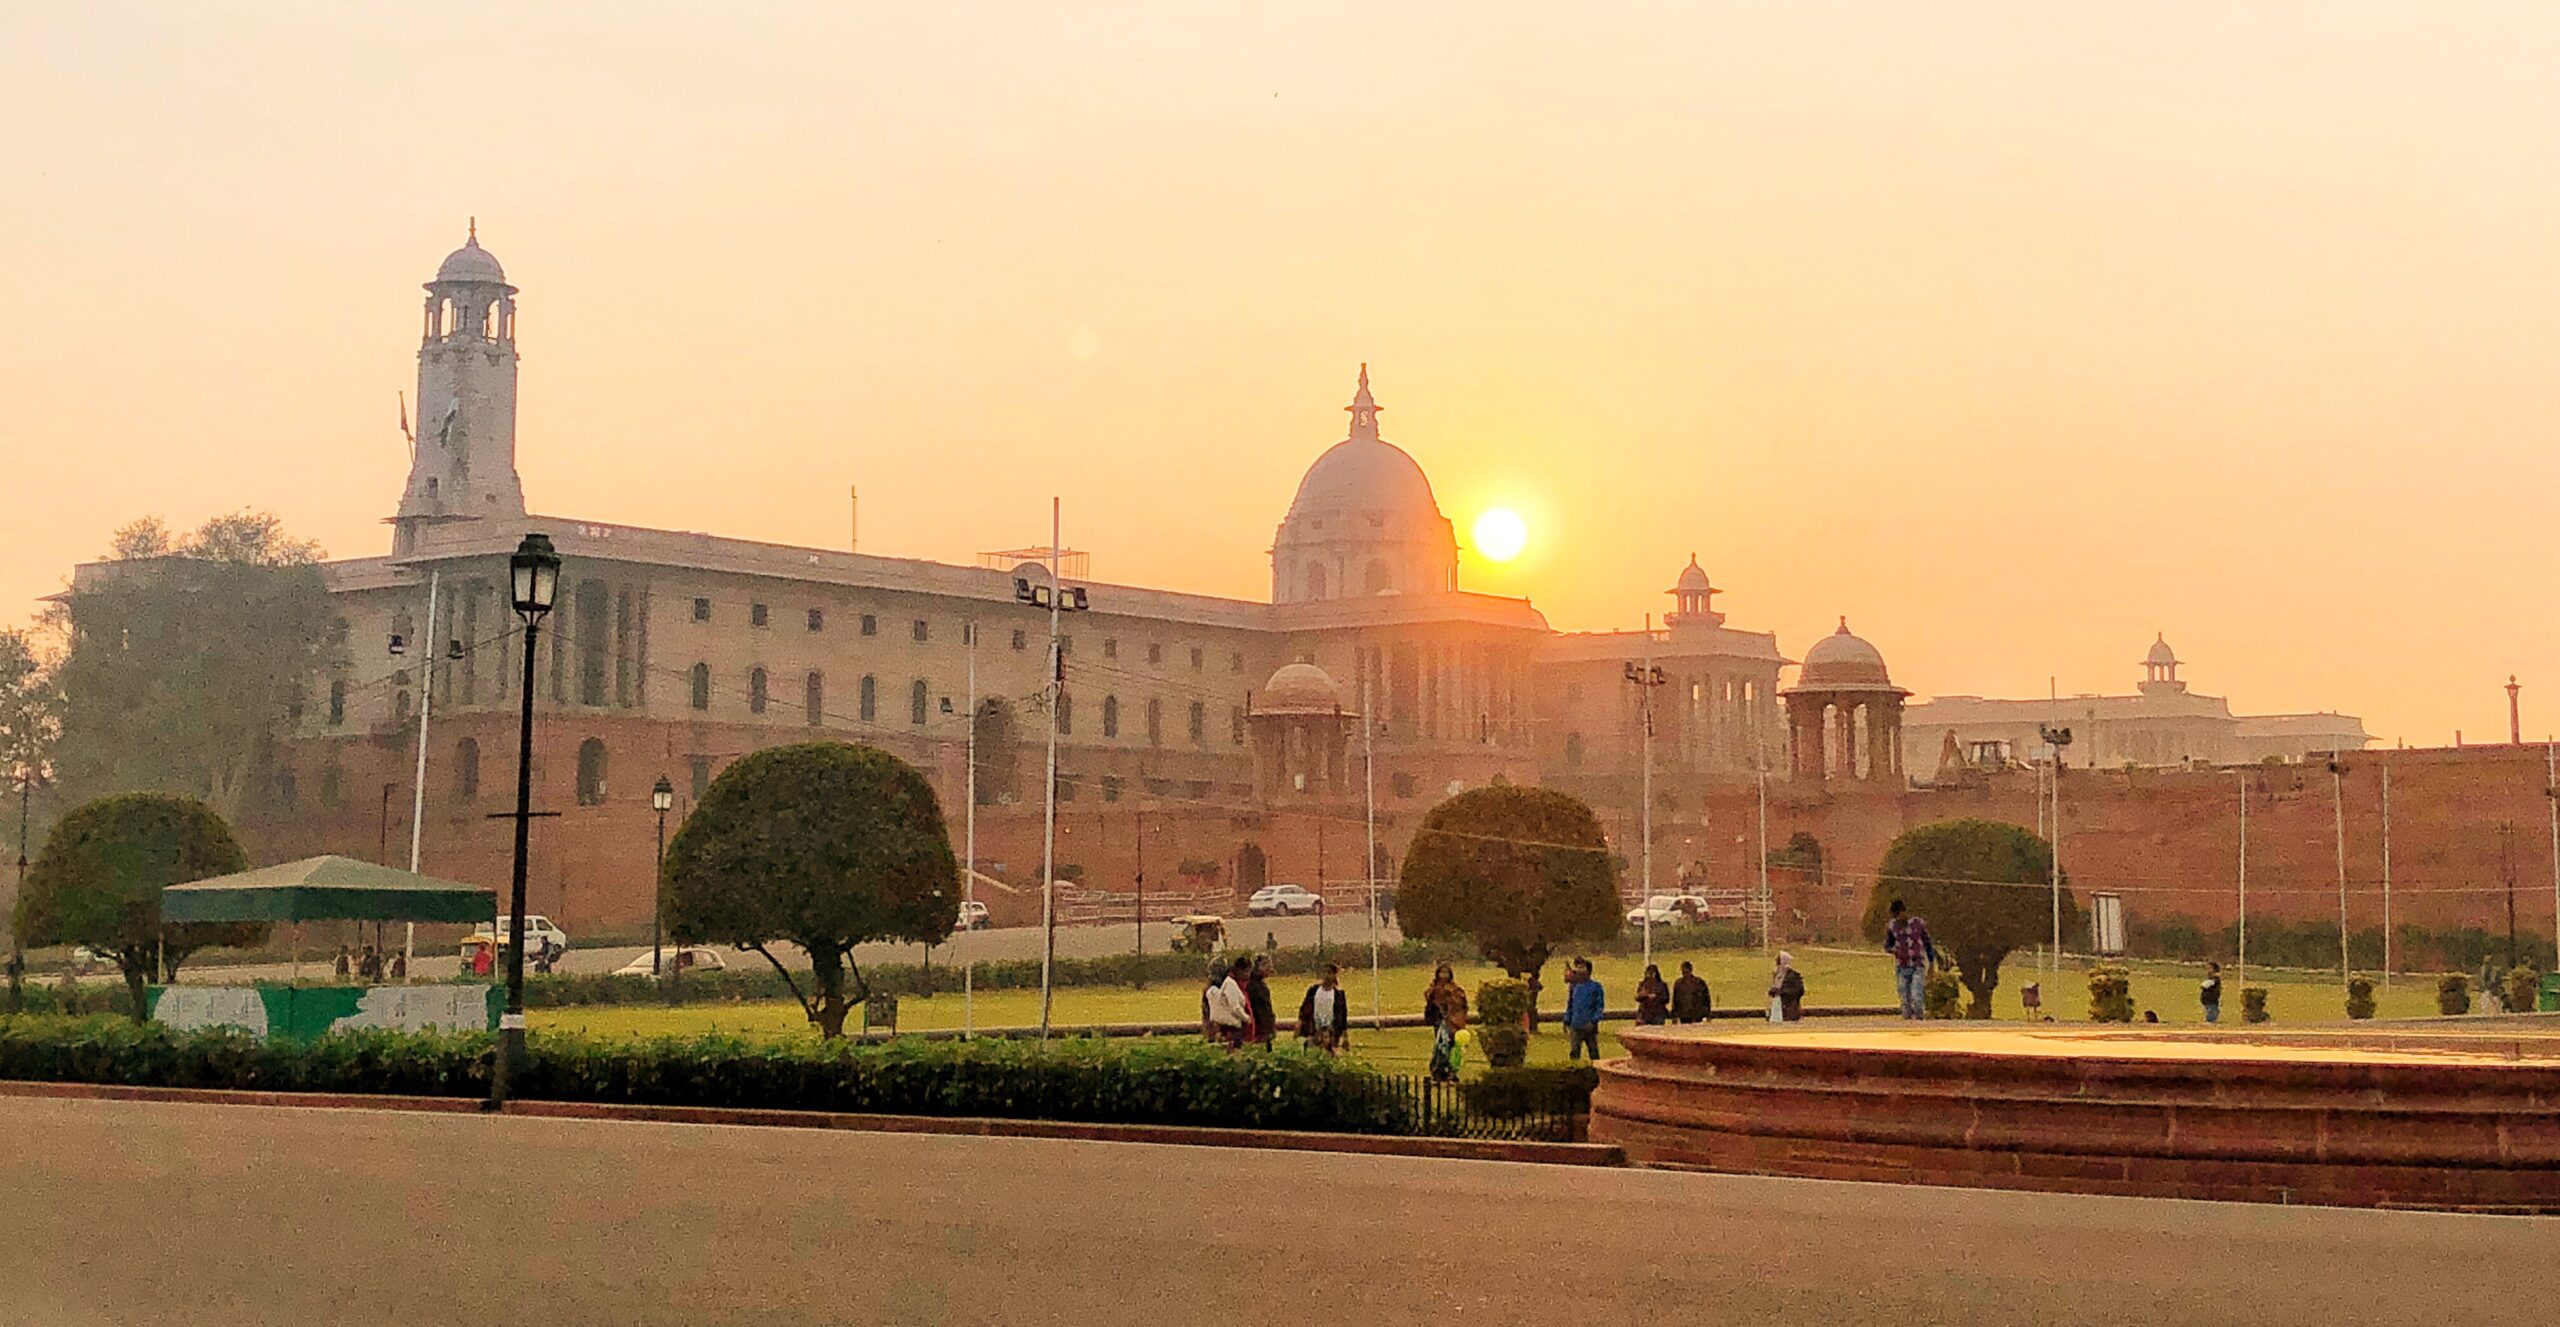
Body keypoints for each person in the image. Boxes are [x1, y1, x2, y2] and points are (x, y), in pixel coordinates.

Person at [1885, 898, 1936, 1021]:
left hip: (1917, 964)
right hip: (1902, 966)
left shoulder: (1918, 924)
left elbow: (1927, 943)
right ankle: (1907, 1023)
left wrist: (1931, 962)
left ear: (1904, 912)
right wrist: (1894, 950)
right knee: (1904, 999)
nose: (1898, 919)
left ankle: (1919, 1019)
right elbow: (1888, 945)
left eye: (1899, 915)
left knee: (1916, 996)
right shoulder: (1892, 926)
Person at [1425, 963, 1468, 1081]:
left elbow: (1460, 1005)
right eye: (1441, 973)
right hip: (1439, 1021)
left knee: (1453, 1048)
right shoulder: (1433, 988)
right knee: (1441, 1046)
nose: (1443, 975)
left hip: (1453, 1023)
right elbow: (1429, 998)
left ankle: (1451, 1071)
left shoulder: (1455, 989)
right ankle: (1439, 1071)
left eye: (1446, 973)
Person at [1297, 962, 1350, 1053]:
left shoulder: (1339, 994)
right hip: (1314, 1029)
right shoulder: (1313, 990)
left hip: (1331, 1031)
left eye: (1329, 973)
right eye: (1324, 972)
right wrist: (1300, 1024)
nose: (1326, 976)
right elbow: (1305, 1009)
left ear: (1334, 975)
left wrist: (1345, 1037)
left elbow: (1343, 1016)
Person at [1562, 958, 1605, 1061]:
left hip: (1589, 1025)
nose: (1579, 970)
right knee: (1574, 1052)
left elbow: (1600, 1006)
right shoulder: (1574, 987)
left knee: (1593, 1052)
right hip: (1575, 1025)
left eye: (1582, 968)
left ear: (1588, 971)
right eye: (1578, 967)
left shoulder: (1596, 987)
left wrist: (1594, 1021)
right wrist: (1567, 1020)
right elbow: (1570, 1005)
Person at [1213, 957, 1254, 1048]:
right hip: (1232, 1029)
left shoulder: (1236, 984)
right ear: (1239, 971)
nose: (1248, 975)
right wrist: (1247, 1019)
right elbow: (1235, 1007)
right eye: (1246, 972)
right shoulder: (1230, 984)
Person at [1246, 953, 1278, 1049]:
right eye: (1265, 965)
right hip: (1259, 1033)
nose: (1269, 968)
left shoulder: (1256, 984)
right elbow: (1262, 1012)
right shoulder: (1256, 987)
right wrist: (1268, 1030)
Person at [1768, 952, 1805, 1022]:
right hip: (1777, 1010)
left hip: (1790, 1011)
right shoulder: (1777, 976)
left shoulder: (1793, 976)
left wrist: (1781, 992)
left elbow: (1799, 991)